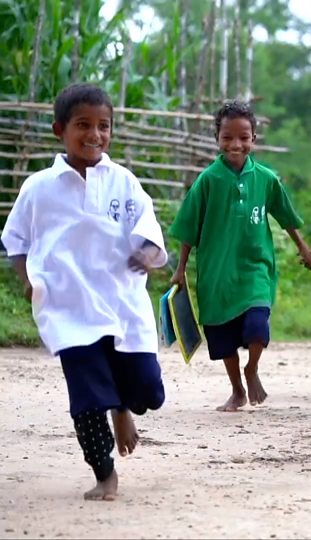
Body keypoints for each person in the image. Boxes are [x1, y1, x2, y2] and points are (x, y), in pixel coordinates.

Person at [1, 83, 168, 501]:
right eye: (83, 125)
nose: (95, 135)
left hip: (121, 305)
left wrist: (147, 254)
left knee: (149, 391)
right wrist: (27, 281)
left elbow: (148, 230)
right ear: (60, 129)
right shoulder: (39, 188)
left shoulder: (123, 182)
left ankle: (124, 409)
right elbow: (16, 242)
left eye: (103, 126)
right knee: (87, 398)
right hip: (68, 310)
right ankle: (104, 474)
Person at [169, 101, 311, 412]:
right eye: (227, 138)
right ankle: (237, 389)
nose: (236, 144)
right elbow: (187, 228)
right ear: (217, 139)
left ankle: (252, 369)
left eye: (244, 137)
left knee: (256, 324)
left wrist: (303, 247)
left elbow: (285, 215)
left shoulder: (265, 177)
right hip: (217, 272)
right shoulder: (208, 180)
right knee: (222, 336)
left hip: (255, 267)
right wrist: (180, 270)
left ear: (254, 138)